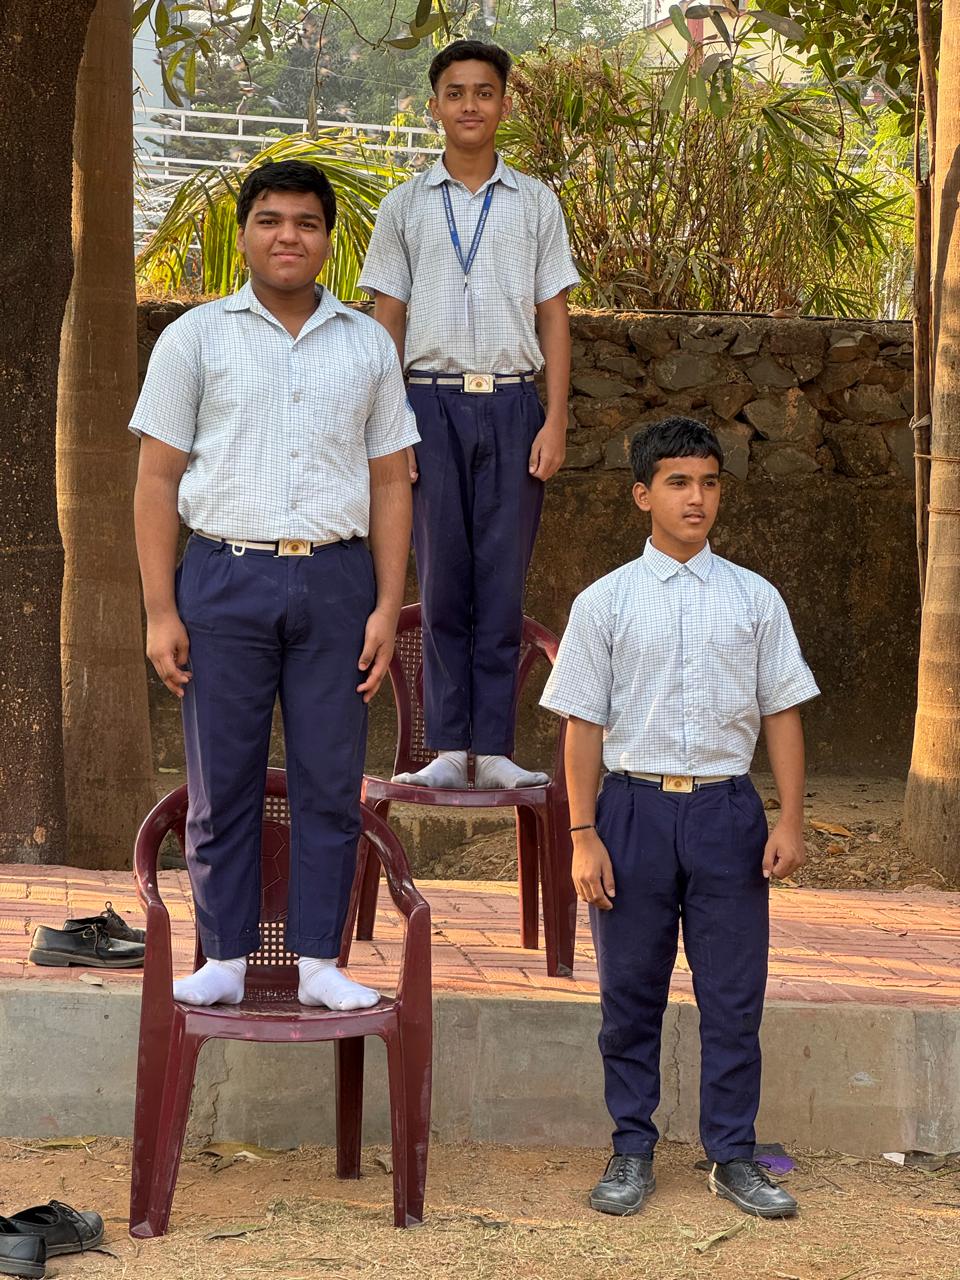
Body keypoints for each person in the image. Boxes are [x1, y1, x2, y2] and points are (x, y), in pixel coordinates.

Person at [131, 159, 419, 1009]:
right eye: (269, 220)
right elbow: (156, 479)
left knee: (330, 779)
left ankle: (320, 964)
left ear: (328, 239)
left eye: (305, 222)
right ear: (245, 234)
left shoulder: (366, 344)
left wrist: (385, 605)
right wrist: (159, 610)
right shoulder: (195, 338)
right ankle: (223, 958)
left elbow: (392, 483)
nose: (287, 236)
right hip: (224, 577)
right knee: (223, 780)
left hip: (337, 581)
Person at [540, 417, 820, 1219]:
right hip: (631, 813)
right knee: (630, 992)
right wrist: (583, 835)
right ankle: (631, 1148)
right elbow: (583, 725)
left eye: (708, 483)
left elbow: (782, 712)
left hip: (727, 812)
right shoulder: (605, 602)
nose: (696, 498)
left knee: (734, 995)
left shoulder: (755, 599)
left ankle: (733, 1155)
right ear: (643, 495)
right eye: (677, 483)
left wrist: (790, 820)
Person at [358, 38, 579, 790]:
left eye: (484, 92)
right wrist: (390, 427)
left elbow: (554, 316)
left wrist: (554, 418)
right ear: (435, 107)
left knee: (502, 580)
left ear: (504, 105)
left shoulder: (536, 202)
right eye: (455, 93)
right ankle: (451, 747)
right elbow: (386, 320)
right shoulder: (404, 205)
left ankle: (497, 750)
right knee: (444, 578)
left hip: (513, 402)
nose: (470, 105)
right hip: (426, 404)